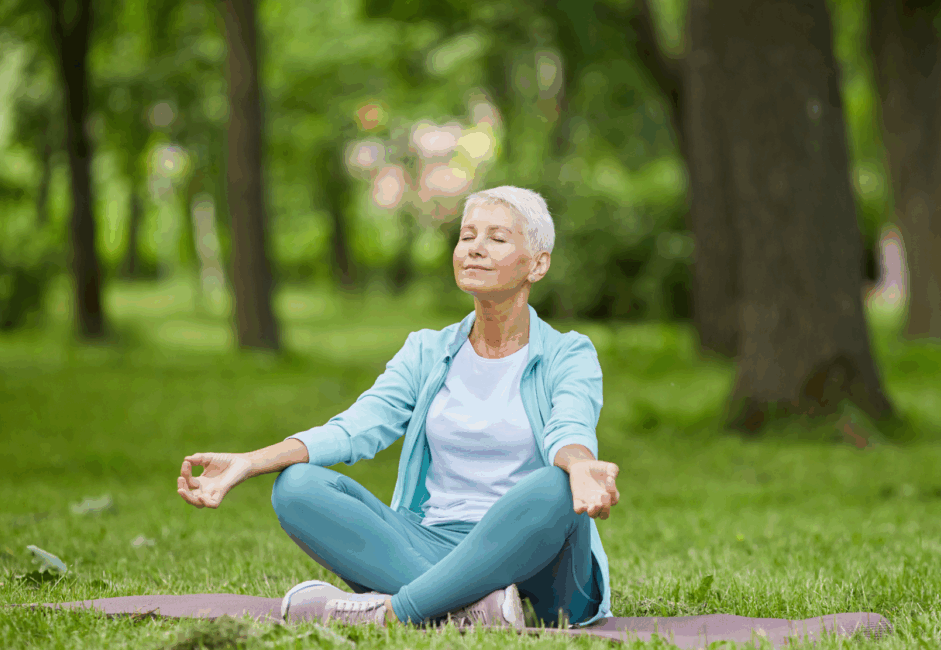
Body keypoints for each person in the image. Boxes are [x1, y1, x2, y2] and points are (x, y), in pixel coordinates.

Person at [176, 186, 620, 630]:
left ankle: (394, 611)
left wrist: (580, 467)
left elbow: (569, 427)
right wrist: (250, 463)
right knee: (296, 487)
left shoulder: (569, 354)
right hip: (430, 545)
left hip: (540, 563)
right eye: (467, 236)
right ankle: (472, 608)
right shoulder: (427, 351)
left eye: (497, 239)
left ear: (537, 264)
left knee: (556, 486)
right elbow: (355, 428)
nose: (475, 249)